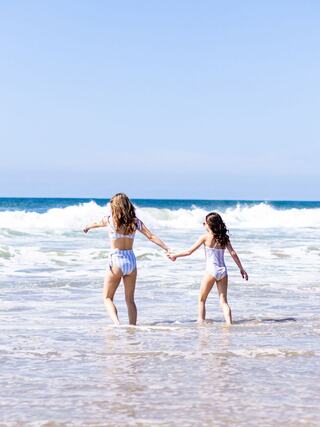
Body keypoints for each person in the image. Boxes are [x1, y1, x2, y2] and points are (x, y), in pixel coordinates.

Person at [83, 193, 169, 325]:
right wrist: (166, 248)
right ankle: (132, 328)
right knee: (130, 300)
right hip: (130, 261)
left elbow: (96, 223)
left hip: (116, 260)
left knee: (107, 297)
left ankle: (117, 324)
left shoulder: (109, 220)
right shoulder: (135, 222)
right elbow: (151, 236)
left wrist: (87, 227)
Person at [168, 212, 248, 325]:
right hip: (223, 271)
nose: (203, 224)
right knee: (224, 301)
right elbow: (233, 253)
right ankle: (229, 324)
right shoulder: (224, 238)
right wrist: (241, 268)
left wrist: (175, 255)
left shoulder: (205, 237)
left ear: (209, 225)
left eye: (204, 223)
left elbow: (189, 251)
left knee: (201, 299)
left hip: (211, 271)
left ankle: (201, 322)